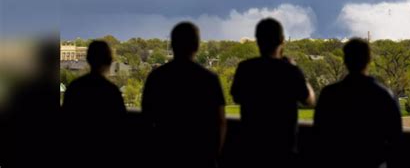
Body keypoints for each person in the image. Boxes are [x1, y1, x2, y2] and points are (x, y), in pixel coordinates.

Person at [230, 18, 315, 167]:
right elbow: (309, 101)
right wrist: (298, 71)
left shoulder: (245, 68)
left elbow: (236, 97)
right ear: (282, 40)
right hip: (284, 151)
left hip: (251, 151)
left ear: (258, 41)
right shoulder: (290, 71)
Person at [142, 22, 226, 168]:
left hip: (165, 156)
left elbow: (146, 120)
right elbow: (220, 122)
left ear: (173, 45)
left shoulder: (156, 78)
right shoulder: (209, 79)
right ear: (197, 46)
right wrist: (214, 156)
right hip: (200, 157)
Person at [311, 38, 402, 168]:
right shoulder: (384, 95)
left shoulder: (329, 94)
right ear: (369, 60)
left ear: (345, 60)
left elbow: (318, 135)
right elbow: (395, 140)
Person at [61, 40, 126, 168]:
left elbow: (65, 123)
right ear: (108, 61)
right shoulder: (111, 91)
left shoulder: (74, 88)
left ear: (88, 59)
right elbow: (120, 127)